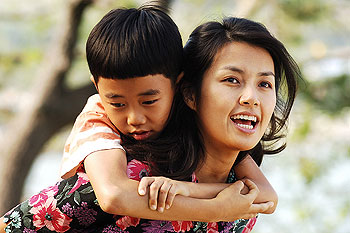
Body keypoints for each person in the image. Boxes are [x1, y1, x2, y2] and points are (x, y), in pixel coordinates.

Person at [0, 6, 302, 233]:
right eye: (232, 80)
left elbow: (266, 197)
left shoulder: (242, 200)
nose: (251, 97)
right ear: (189, 93)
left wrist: (208, 201)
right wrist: (214, 208)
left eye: (265, 84)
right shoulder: (132, 175)